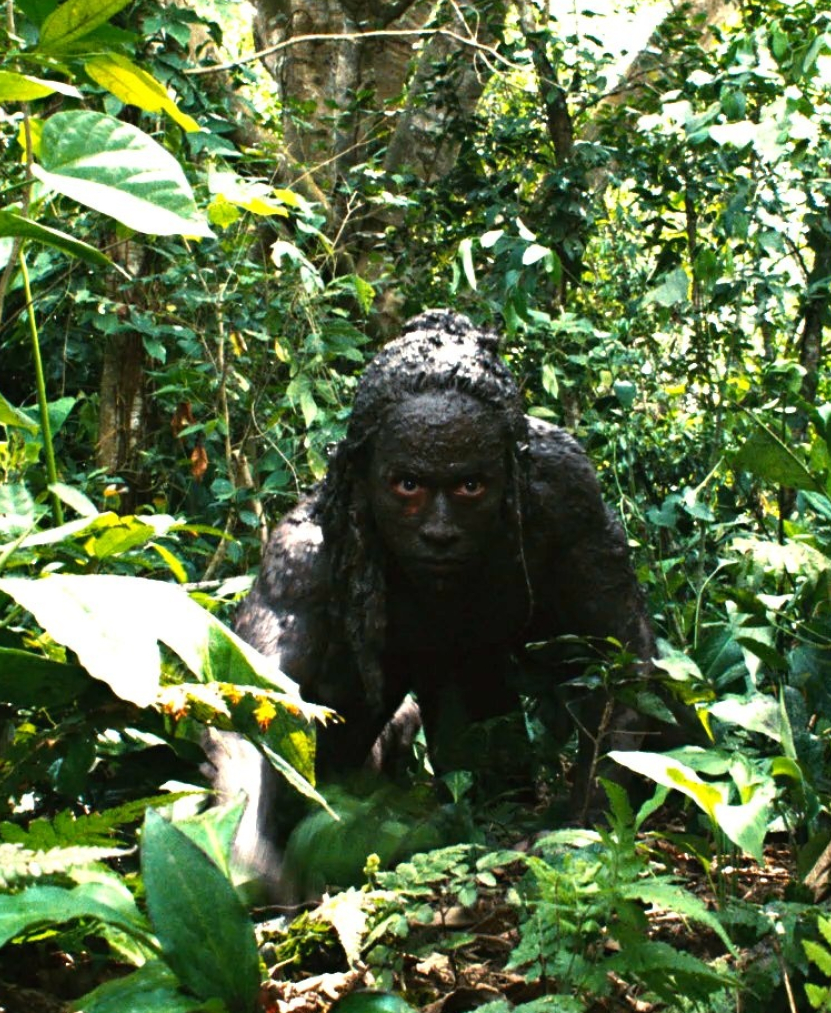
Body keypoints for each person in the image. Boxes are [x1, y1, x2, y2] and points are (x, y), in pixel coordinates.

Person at [209, 309, 655, 894]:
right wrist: (245, 840)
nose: (440, 526)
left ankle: (433, 732)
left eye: (469, 488)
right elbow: (246, 698)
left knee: (511, 794)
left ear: (509, 475)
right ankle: (396, 728)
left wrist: (588, 825)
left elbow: (633, 660)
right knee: (316, 799)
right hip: (377, 666)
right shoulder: (316, 542)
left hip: (487, 662)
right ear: (366, 477)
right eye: (410, 488)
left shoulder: (555, 486)